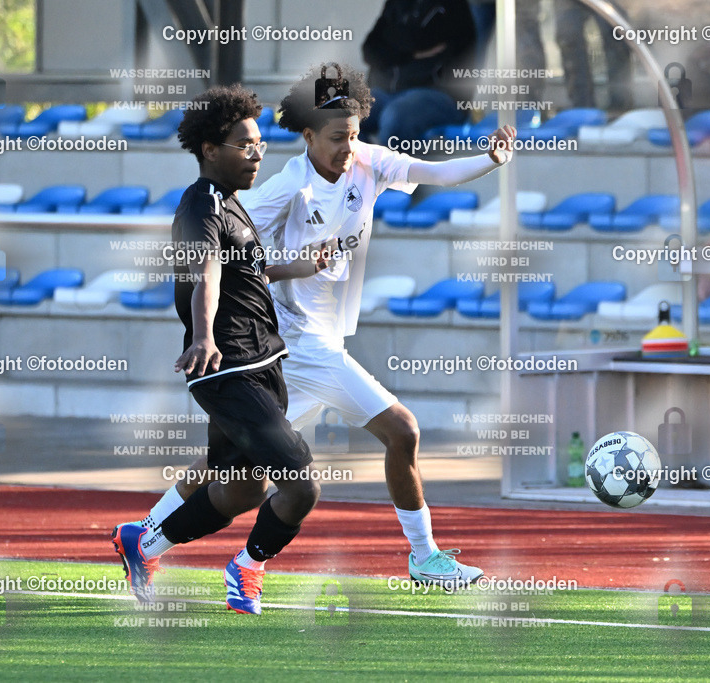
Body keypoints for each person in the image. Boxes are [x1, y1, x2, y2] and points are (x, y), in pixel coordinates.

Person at [138, 62, 515, 587]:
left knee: (235, 471)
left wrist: (489, 160)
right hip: (297, 341)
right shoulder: (287, 187)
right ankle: (422, 558)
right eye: (338, 137)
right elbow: (235, 255)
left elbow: (435, 172)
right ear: (309, 135)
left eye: (356, 134)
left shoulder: (369, 164)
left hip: (295, 349)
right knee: (401, 431)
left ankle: (146, 535)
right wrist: (291, 266)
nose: (349, 146)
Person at [111, 85, 328, 614]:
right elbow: (206, 270)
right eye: (244, 144)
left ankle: (144, 543)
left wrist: (299, 266)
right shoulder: (200, 203)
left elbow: (243, 269)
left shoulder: (231, 205)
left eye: (259, 144)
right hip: (227, 366)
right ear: (210, 149)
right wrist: (204, 336)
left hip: (262, 362)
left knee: (241, 491)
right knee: (300, 485)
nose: (257, 153)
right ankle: (247, 568)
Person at [361, 0, 477, 145]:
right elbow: (369, 50)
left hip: (439, 94)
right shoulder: (395, 4)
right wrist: (410, 54)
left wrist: (390, 43)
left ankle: (389, 167)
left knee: (394, 117)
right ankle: (362, 165)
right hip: (387, 93)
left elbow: (423, 39)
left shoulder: (452, 5)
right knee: (344, 111)